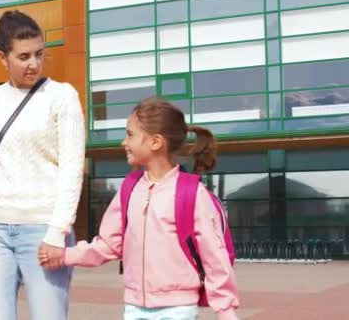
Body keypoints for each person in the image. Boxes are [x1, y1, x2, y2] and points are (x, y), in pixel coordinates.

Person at [41, 97, 239, 320]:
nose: (123, 142)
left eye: (130, 134)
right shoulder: (130, 188)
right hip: (135, 308)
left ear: (155, 142)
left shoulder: (192, 193)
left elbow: (214, 257)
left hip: (178, 309)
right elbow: (108, 245)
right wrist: (65, 255)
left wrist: (226, 311)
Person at [0, 10, 85, 320]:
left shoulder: (62, 97)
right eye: (24, 56)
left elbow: (71, 169)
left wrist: (56, 232)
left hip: (42, 229)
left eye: (39, 54)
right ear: (3, 57)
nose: (34, 63)